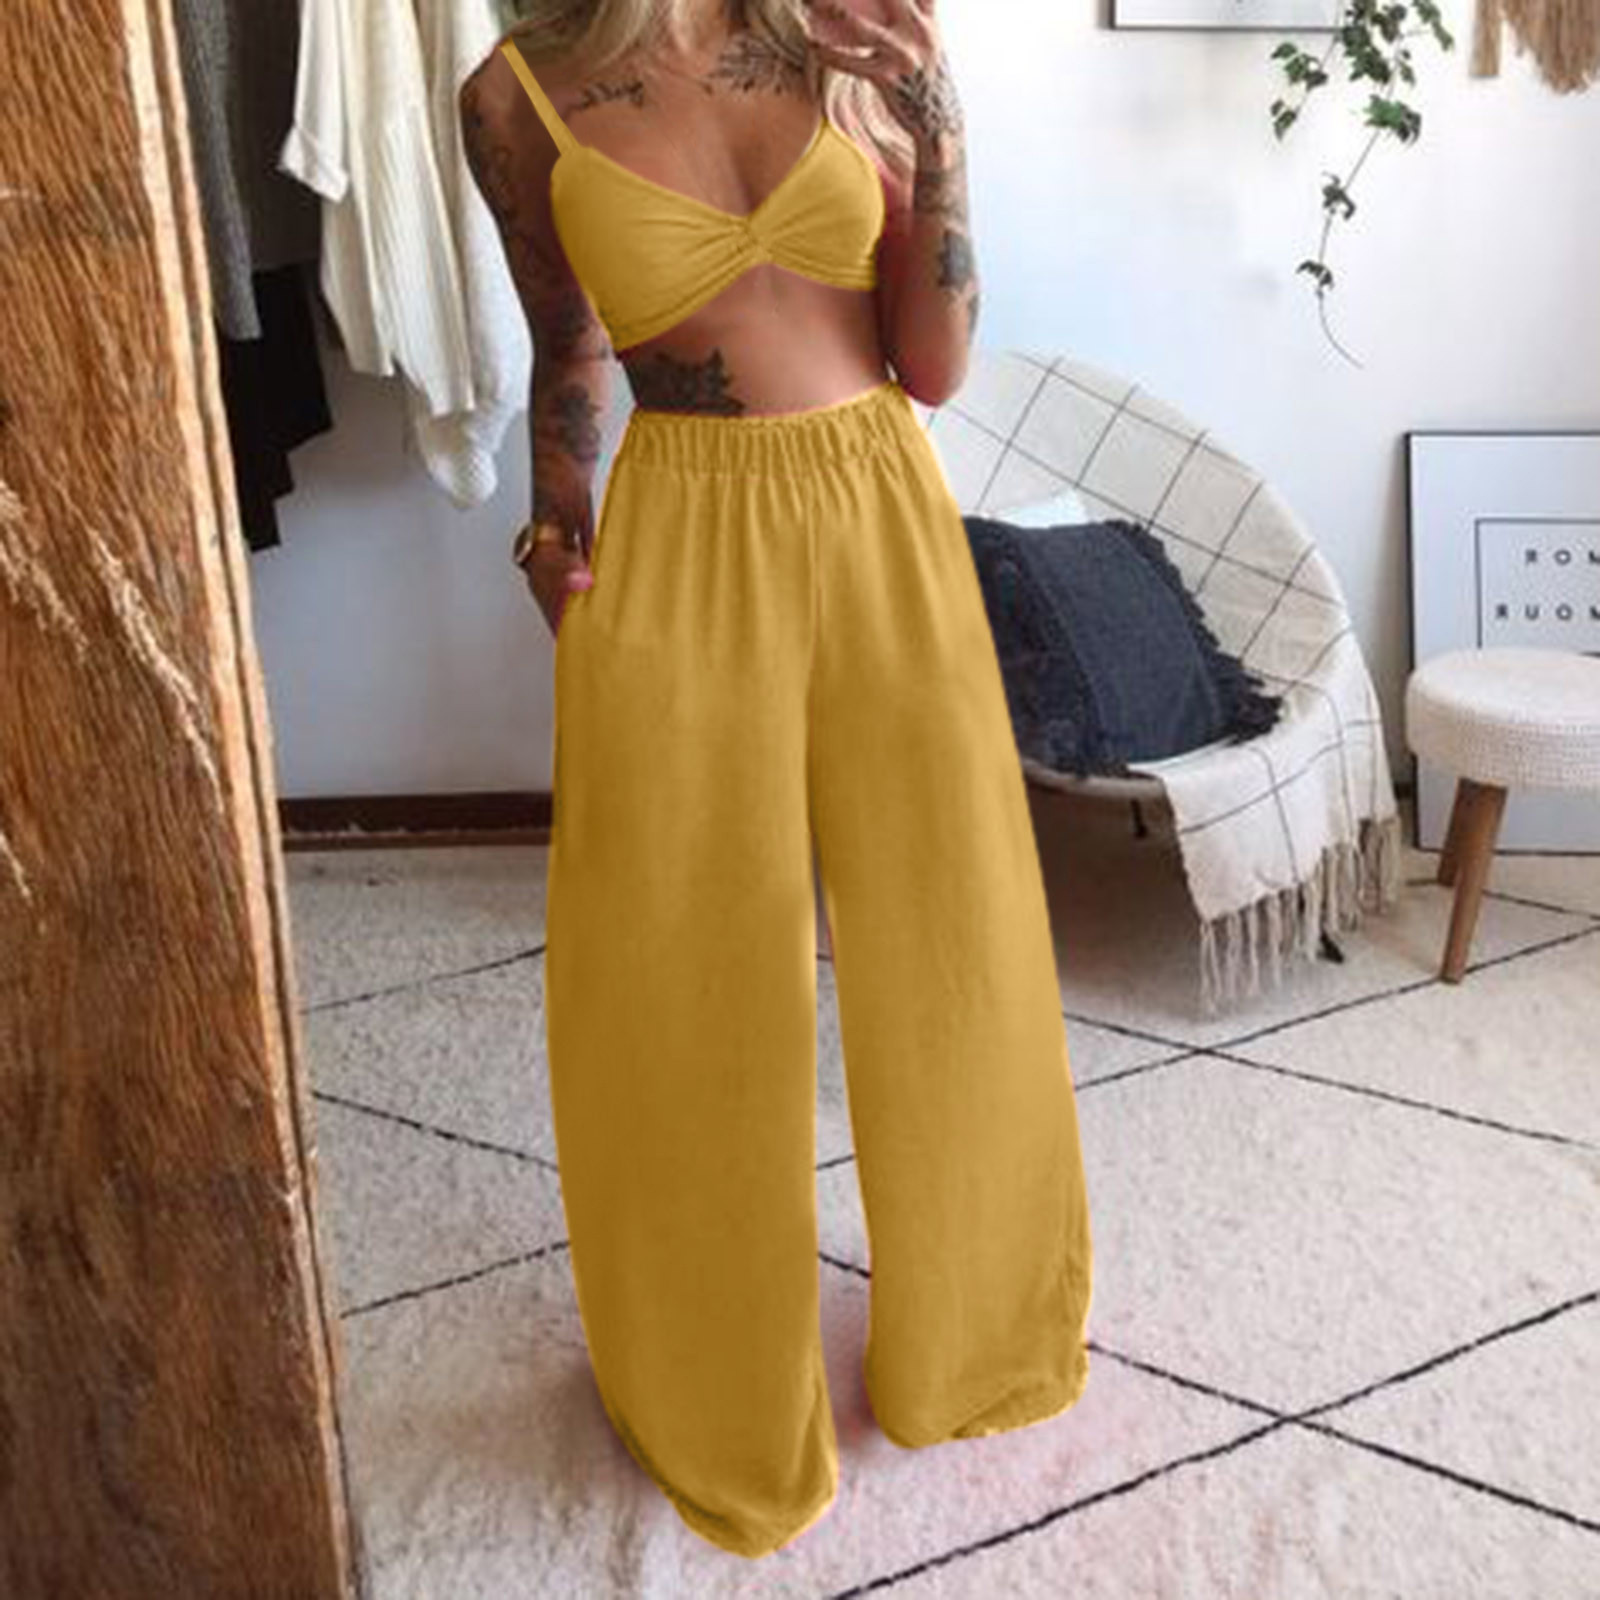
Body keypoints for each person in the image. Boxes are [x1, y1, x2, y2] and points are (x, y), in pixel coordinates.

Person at [460, 0, 1093, 1559]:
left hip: (880, 508)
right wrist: (554, 516)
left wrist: (942, 132)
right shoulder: (513, 97)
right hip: (676, 537)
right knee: (681, 977)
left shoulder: (856, 36)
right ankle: (711, 1391)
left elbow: (934, 364)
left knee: (953, 939)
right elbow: (568, 345)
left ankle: (974, 1345)